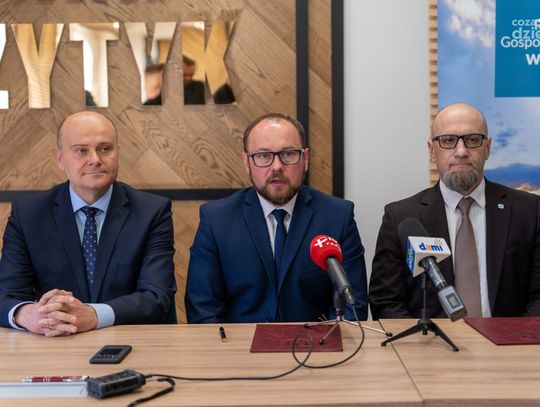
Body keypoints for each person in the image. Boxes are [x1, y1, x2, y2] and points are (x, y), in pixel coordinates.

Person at [0, 111, 177, 336]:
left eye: (105, 148)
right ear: (60, 158)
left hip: (130, 342)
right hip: (54, 343)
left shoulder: (152, 212)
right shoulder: (28, 215)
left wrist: (93, 315)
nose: (95, 159)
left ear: (118, 153)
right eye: (81, 150)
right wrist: (26, 314)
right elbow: (6, 294)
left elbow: (156, 297)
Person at [185, 113, 368, 323]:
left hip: (316, 341)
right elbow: (203, 311)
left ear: (305, 159)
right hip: (239, 343)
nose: (277, 166)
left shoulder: (338, 216)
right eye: (263, 156)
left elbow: (353, 306)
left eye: (288, 154)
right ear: (246, 162)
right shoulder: (216, 219)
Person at [369, 102, 540, 319]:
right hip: (431, 339)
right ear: (432, 150)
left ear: (488, 147)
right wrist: (425, 338)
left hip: (508, 338)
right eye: (448, 140)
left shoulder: (529, 211)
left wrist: (514, 337)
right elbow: (385, 302)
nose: (461, 152)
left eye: (472, 140)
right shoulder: (400, 218)